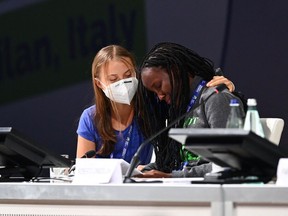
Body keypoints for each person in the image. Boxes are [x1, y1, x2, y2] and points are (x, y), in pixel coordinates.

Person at [75, 44, 237, 168]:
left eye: (127, 75)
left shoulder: (154, 107)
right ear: (99, 83)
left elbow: (227, 161)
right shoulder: (90, 117)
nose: (122, 84)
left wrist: (229, 90)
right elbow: (83, 170)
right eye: (113, 79)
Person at [137, 42, 246, 178]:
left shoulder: (216, 99)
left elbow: (229, 162)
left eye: (158, 85)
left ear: (175, 70)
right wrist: (142, 171)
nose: (159, 96)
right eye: (154, 92)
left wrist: (172, 177)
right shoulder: (179, 108)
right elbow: (174, 162)